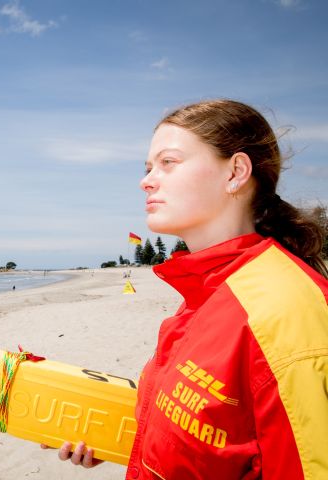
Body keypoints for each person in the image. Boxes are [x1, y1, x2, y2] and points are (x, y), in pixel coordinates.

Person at [45, 99, 328, 478]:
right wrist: (129, 440)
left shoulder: (284, 309)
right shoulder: (207, 291)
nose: (146, 180)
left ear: (236, 172)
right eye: (148, 168)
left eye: (168, 163)